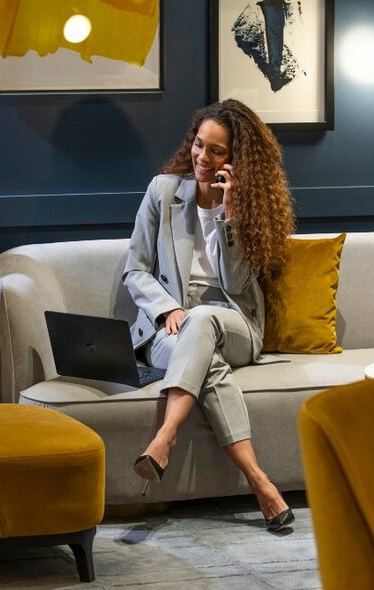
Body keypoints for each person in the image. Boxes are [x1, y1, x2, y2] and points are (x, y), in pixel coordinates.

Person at [123, 99, 296, 531]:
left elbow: (236, 285)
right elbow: (135, 269)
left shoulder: (248, 208)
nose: (203, 158)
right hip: (172, 325)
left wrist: (229, 213)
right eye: (199, 145)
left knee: (204, 321)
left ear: (235, 159)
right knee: (208, 362)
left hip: (234, 320)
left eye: (217, 151)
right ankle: (260, 482)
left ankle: (165, 437)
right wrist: (169, 308)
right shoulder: (163, 192)